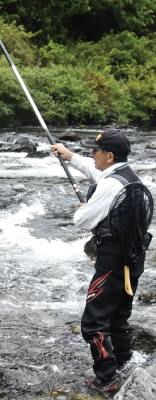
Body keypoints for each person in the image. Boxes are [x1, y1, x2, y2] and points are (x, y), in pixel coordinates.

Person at [50, 129, 152, 392]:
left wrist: (86, 208)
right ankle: (124, 361)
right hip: (132, 260)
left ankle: (106, 379)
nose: (91, 155)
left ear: (108, 155)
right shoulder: (126, 177)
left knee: (94, 322)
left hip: (112, 262)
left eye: (94, 152)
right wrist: (68, 155)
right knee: (118, 317)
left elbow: (82, 221)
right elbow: (96, 172)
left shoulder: (109, 186)